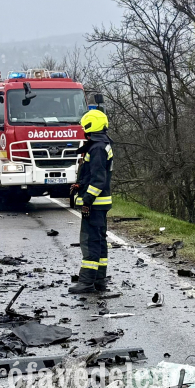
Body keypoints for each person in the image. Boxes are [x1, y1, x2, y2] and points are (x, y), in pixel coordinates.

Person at [69, 109, 113, 294]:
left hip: (94, 204)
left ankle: (86, 282)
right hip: (101, 204)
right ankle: (99, 281)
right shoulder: (102, 145)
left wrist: (86, 200)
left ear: (90, 125)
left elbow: (98, 180)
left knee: (90, 242)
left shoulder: (96, 148)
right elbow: (95, 176)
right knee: (100, 242)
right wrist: (80, 185)